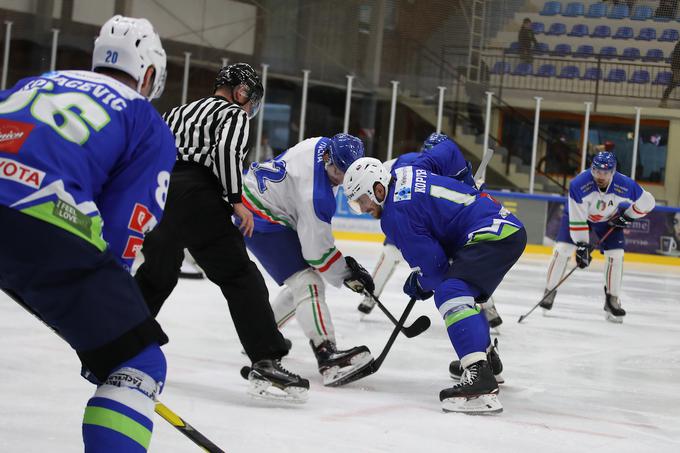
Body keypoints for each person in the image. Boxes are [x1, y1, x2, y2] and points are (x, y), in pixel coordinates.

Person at [0, 15, 176, 451]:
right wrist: (109, 338)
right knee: (139, 363)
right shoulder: (145, 120)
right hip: (43, 220)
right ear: (149, 74)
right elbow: (124, 229)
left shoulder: (35, 82)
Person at [134, 63, 310, 402]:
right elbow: (226, 152)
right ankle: (266, 360)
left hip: (162, 192)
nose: (249, 108)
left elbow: (150, 150)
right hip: (200, 194)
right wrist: (235, 201)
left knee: (157, 273)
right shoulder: (233, 115)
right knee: (240, 276)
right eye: (250, 99)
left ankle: (121, 337)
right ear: (242, 92)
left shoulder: (178, 111)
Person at [343, 157, 527, 414]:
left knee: (451, 293)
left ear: (378, 188)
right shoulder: (405, 172)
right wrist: (465, 179)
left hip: (491, 232)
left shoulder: (395, 215)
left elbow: (434, 269)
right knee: (462, 292)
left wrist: (419, 283)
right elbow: (449, 152)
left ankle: (479, 378)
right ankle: (487, 361)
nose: (362, 209)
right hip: (501, 227)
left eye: (362, 201)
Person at [241, 133, 376, 387]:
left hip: (261, 203)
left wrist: (342, 268)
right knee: (309, 282)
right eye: (338, 171)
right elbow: (317, 254)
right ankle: (327, 357)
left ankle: (261, 336)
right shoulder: (317, 196)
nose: (342, 180)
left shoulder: (321, 143)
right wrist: (348, 274)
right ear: (328, 158)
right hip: (259, 217)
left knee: (301, 281)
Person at [356, 133, 504, 328]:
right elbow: (377, 176)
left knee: (464, 263)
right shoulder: (410, 162)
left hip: (436, 224)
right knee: (390, 253)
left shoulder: (449, 167)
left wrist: (473, 187)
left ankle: (486, 305)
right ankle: (371, 295)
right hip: (404, 216)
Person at [540, 151, 655, 322]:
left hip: (608, 219)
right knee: (563, 249)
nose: (600, 176)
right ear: (591, 169)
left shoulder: (624, 184)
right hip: (578, 217)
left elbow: (648, 202)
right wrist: (581, 246)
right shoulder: (578, 184)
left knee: (616, 255)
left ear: (613, 172)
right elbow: (578, 217)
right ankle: (549, 291)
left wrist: (628, 215)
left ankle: (612, 299)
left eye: (605, 172)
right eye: (597, 171)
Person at [660, 40, 680, 108]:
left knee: (672, 85)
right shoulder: (678, 47)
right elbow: (677, 59)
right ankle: (663, 101)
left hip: (676, 68)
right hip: (677, 69)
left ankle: (663, 101)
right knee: (672, 84)